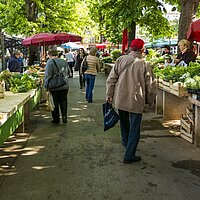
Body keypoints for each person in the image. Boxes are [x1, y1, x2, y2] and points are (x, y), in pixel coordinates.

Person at [106, 38, 156, 164]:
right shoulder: (145, 64)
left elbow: (111, 79)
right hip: (136, 99)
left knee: (124, 122)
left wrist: (109, 94)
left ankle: (126, 143)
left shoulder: (120, 60)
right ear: (142, 49)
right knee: (135, 127)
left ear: (130, 48)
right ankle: (129, 155)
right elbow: (150, 86)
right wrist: (150, 101)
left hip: (120, 98)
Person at [44, 46, 70, 124]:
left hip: (54, 86)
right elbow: (68, 72)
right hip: (64, 85)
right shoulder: (64, 61)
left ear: (49, 55)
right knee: (64, 101)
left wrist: (46, 86)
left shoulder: (50, 62)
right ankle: (64, 116)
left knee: (54, 103)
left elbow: (48, 75)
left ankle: (56, 119)